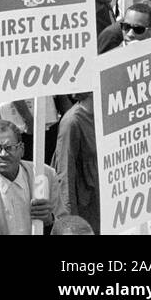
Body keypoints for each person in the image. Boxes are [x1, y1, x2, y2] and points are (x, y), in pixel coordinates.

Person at [0, 120, 66, 235]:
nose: (3, 154)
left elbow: (65, 225)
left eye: (9, 147)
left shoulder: (44, 175)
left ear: (21, 149)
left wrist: (50, 220)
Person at [52, 93, 99, 232]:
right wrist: (69, 222)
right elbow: (65, 173)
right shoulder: (72, 122)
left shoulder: (109, 114)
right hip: (86, 206)